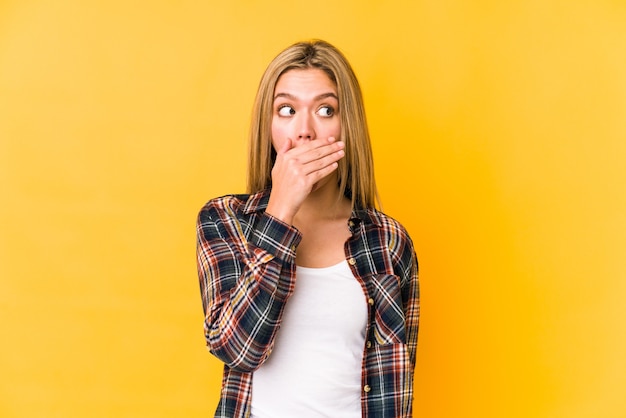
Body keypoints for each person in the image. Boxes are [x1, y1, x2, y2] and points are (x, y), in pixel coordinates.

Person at [196, 39, 419, 418]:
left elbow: (397, 390)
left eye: (326, 110)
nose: (305, 131)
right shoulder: (225, 220)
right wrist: (280, 211)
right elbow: (238, 349)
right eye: (286, 110)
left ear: (348, 125)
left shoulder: (388, 241)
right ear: (268, 127)